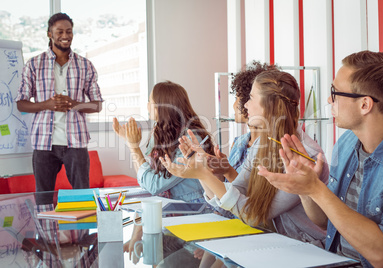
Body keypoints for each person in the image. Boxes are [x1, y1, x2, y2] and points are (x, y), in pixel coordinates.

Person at [259, 50, 383, 267]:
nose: (329, 99)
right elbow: (326, 222)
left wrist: (317, 189)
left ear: (365, 105)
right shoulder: (345, 145)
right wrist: (307, 189)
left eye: (335, 92)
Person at [161, 70, 329, 247]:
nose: (245, 105)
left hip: (309, 250)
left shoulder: (306, 156)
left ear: (269, 105)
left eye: (251, 97)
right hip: (276, 244)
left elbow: (253, 215)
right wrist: (201, 169)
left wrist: (204, 175)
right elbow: (230, 203)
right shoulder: (261, 144)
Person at [113, 81, 214, 264]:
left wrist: (134, 147)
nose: (147, 106)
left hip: (195, 222)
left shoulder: (190, 138)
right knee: (149, 258)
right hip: (171, 221)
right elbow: (145, 178)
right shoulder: (161, 131)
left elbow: (154, 184)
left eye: (150, 101)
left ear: (164, 105)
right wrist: (132, 146)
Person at [15, 13, 103, 193]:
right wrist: (46, 105)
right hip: (43, 143)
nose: (65, 36)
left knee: (82, 198)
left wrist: (74, 104)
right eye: (60, 31)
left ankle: (82, 223)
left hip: (76, 144)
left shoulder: (85, 65)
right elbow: (21, 104)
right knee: (43, 199)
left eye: (69, 31)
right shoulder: (33, 65)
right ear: (50, 34)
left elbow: (97, 105)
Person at [207, 61, 277, 182]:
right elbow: (225, 188)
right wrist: (216, 171)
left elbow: (249, 194)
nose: (234, 105)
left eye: (236, 98)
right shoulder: (238, 142)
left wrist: (226, 171)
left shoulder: (269, 148)